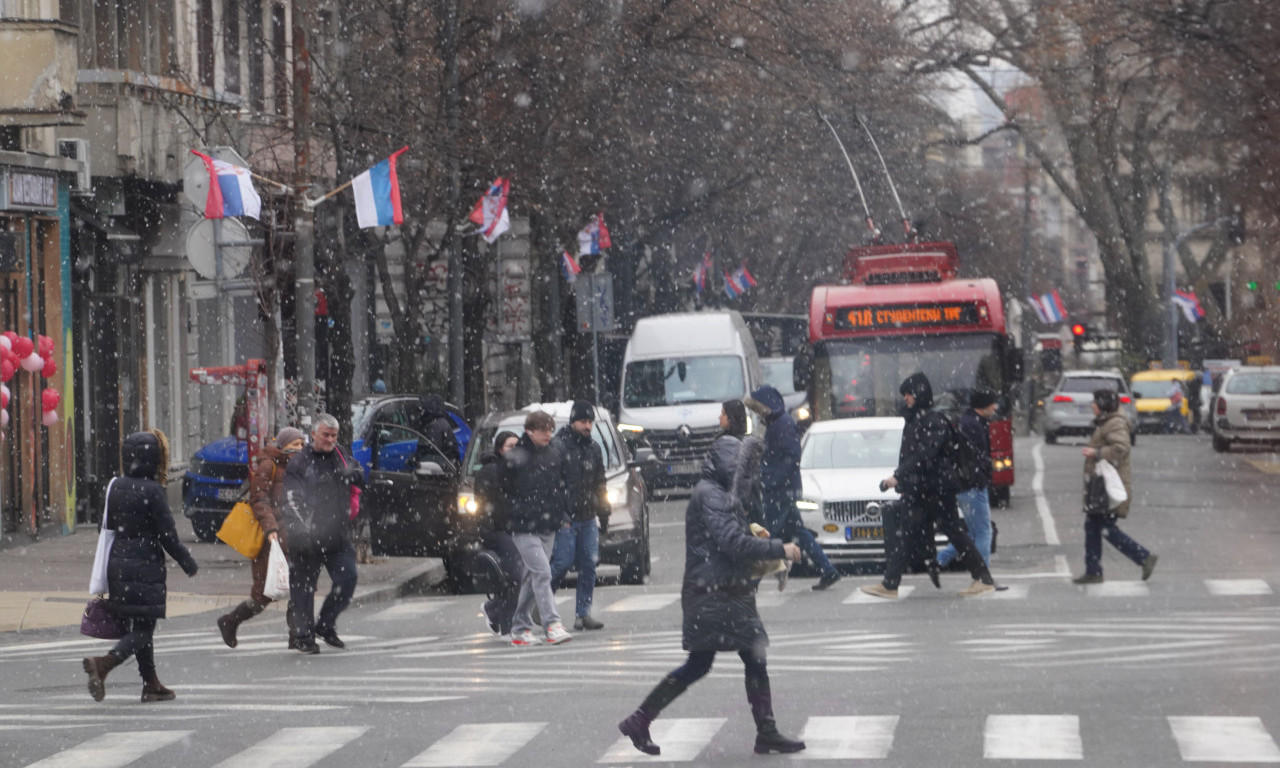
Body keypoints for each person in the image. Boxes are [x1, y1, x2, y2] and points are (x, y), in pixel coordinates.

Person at [618, 433, 805, 757]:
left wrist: (755, 535)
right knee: (726, 661)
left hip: (721, 590)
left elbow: (731, 539)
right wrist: (780, 548)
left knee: (726, 661)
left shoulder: (717, 492)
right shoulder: (712, 495)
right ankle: (765, 731)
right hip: (715, 593)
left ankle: (766, 731)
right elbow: (732, 542)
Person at [82, 430, 199, 703]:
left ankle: (151, 684)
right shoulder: (154, 491)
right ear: (154, 459)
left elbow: (104, 526)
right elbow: (167, 535)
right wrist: (188, 562)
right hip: (144, 565)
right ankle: (105, 664)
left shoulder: (114, 486)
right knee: (143, 629)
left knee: (140, 625)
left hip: (118, 565)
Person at [862, 373, 996, 599]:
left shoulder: (933, 421)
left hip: (936, 489)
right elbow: (912, 456)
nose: (905, 398)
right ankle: (891, 584)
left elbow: (925, 455)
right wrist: (903, 480)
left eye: (908, 394)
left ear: (918, 395)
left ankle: (982, 579)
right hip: (922, 489)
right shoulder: (916, 420)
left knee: (951, 533)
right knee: (909, 533)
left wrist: (898, 476)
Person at [745, 385, 841, 591]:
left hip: (781, 490)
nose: (757, 413)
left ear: (766, 406)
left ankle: (752, 583)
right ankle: (828, 570)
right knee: (798, 531)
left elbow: (792, 457)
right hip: (784, 488)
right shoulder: (777, 423)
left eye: (758, 408)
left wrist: (771, 480)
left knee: (766, 534)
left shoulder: (782, 424)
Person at [281, 413, 364, 654]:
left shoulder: (341, 453)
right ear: (314, 434)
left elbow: (359, 472)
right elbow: (291, 499)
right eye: (325, 435)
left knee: (348, 579)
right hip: (307, 535)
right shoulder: (300, 462)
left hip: (337, 533)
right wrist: (300, 529)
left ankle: (326, 624)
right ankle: (304, 636)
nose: (330, 440)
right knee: (303, 588)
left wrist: (354, 473)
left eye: (334, 435)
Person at [217, 426, 306, 648]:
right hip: (271, 540)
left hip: (295, 537)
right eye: (295, 445)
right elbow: (259, 500)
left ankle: (297, 635)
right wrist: (271, 529)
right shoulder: (269, 466)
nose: (300, 449)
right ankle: (230, 621)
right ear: (284, 446)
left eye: (302, 445)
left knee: (300, 585)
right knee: (264, 594)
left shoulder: (300, 468)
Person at [501, 410, 573, 646]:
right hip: (522, 526)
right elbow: (502, 491)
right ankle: (552, 623)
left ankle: (520, 628)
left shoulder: (554, 454)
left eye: (550, 429)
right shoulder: (516, 457)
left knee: (533, 575)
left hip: (547, 524)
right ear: (530, 431)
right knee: (542, 572)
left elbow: (560, 487)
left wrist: (562, 513)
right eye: (543, 429)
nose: (548, 434)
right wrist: (510, 513)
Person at [1072, 388, 1158, 584]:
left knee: (1105, 528)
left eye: (1095, 402)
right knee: (1093, 526)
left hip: (1108, 487)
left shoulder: (1115, 423)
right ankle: (1093, 571)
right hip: (1100, 485)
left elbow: (1121, 448)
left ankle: (1143, 557)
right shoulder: (1107, 421)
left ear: (1104, 405)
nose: (1092, 405)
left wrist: (1097, 453)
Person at [550, 401, 608, 631]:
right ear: (573, 421)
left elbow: (599, 483)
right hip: (567, 516)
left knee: (589, 564)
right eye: (584, 421)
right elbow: (554, 484)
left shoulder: (593, 448)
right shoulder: (560, 446)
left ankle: (583, 613)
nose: (588, 426)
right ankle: (542, 599)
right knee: (562, 562)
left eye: (590, 421)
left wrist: (603, 513)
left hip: (587, 516)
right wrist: (561, 513)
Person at [937, 391, 998, 569]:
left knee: (972, 533)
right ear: (984, 406)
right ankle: (982, 574)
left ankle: (939, 559)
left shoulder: (968, 422)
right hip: (972, 485)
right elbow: (972, 457)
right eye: (992, 404)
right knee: (984, 532)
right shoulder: (972, 425)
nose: (995, 408)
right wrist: (981, 476)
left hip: (966, 485)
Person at [475, 430, 523, 639]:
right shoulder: (489, 472)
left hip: (519, 529)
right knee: (514, 576)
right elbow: (484, 505)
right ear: (500, 448)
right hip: (499, 530)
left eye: (517, 446)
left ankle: (495, 611)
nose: (514, 450)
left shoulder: (520, 469)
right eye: (510, 446)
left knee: (521, 576)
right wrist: (488, 530)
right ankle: (506, 624)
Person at [419, 393, 461, 469]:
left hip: (441, 469)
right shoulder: (436, 423)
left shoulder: (436, 426)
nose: (421, 410)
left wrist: (417, 458)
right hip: (444, 467)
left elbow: (431, 451)